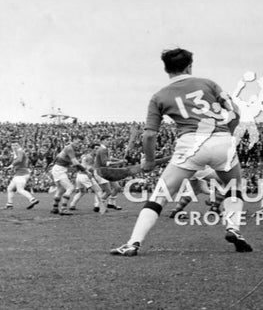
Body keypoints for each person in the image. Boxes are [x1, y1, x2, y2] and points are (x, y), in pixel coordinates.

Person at [111, 48, 252, 256]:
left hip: (190, 143)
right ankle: (233, 228)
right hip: (222, 140)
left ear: (166, 69)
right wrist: (226, 136)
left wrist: (149, 161)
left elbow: (149, 135)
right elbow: (235, 112)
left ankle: (133, 243)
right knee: (234, 187)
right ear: (189, 66)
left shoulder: (159, 96)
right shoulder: (208, 83)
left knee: (159, 197)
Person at [50, 135, 86, 215]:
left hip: (58, 169)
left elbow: (65, 158)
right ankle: (63, 209)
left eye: (81, 142)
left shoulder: (69, 148)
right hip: (59, 169)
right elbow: (75, 162)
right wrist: (85, 170)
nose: (80, 144)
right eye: (78, 141)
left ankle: (55, 208)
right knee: (70, 188)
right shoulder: (69, 148)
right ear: (73, 140)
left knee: (61, 190)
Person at [68, 143, 107, 213]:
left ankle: (72, 205)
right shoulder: (90, 157)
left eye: (98, 148)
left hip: (79, 176)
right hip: (85, 176)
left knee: (81, 192)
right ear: (91, 149)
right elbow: (89, 168)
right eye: (96, 148)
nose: (97, 150)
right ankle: (98, 206)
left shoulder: (85, 156)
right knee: (98, 190)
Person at [4, 139, 40, 210]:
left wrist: (11, 165)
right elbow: (19, 162)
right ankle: (9, 205)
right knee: (10, 188)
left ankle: (32, 199)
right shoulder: (16, 153)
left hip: (22, 174)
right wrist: (12, 167)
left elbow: (19, 160)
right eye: (13, 145)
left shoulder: (20, 151)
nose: (14, 147)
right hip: (19, 174)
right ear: (11, 146)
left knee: (20, 189)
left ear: (19, 145)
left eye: (16, 145)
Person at [92, 135, 125, 211]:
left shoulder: (105, 149)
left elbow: (110, 159)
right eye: (107, 140)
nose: (109, 141)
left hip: (106, 171)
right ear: (102, 141)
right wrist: (119, 162)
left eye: (110, 140)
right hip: (101, 172)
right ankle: (99, 205)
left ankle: (110, 203)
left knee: (117, 187)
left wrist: (119, 160)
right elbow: (105, 163)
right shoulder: (102, 150)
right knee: (108, 191)